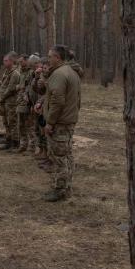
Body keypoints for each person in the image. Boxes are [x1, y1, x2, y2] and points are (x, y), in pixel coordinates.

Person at [42, 45, 81, 202]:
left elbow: (57, 100)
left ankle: (60, 190)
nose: (48, 59)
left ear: (57, 57)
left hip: (60, 123)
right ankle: (67, 187)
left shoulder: (59, 74)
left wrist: (50, 122)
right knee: (67, 155)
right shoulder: (72, 73)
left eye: (50, 56)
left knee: (59, 157)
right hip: (68, 121)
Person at [15, 54, 38, 154]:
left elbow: (31, 87)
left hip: (28, 102)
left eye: (21, 61)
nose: (20, 64)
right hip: (20, 101)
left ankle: (31, 147)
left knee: (30, 125)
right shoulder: (20, 72)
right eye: (19, 62)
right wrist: (18, 87)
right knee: (21, 125)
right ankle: (23, 144)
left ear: (26, 61)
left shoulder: (31, 72)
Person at [0, 52, 20, 150]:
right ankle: (8, 140)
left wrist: (1, 99)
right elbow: (3, 86)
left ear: (11, 61)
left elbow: (10, 89)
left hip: (11, 102)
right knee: (6, 122)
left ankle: (15, 142)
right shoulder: (7, 72)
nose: (4, 63)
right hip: (6, 102)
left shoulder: (15, 73)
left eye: (6, 61)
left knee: (12, 122)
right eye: (4, 61)